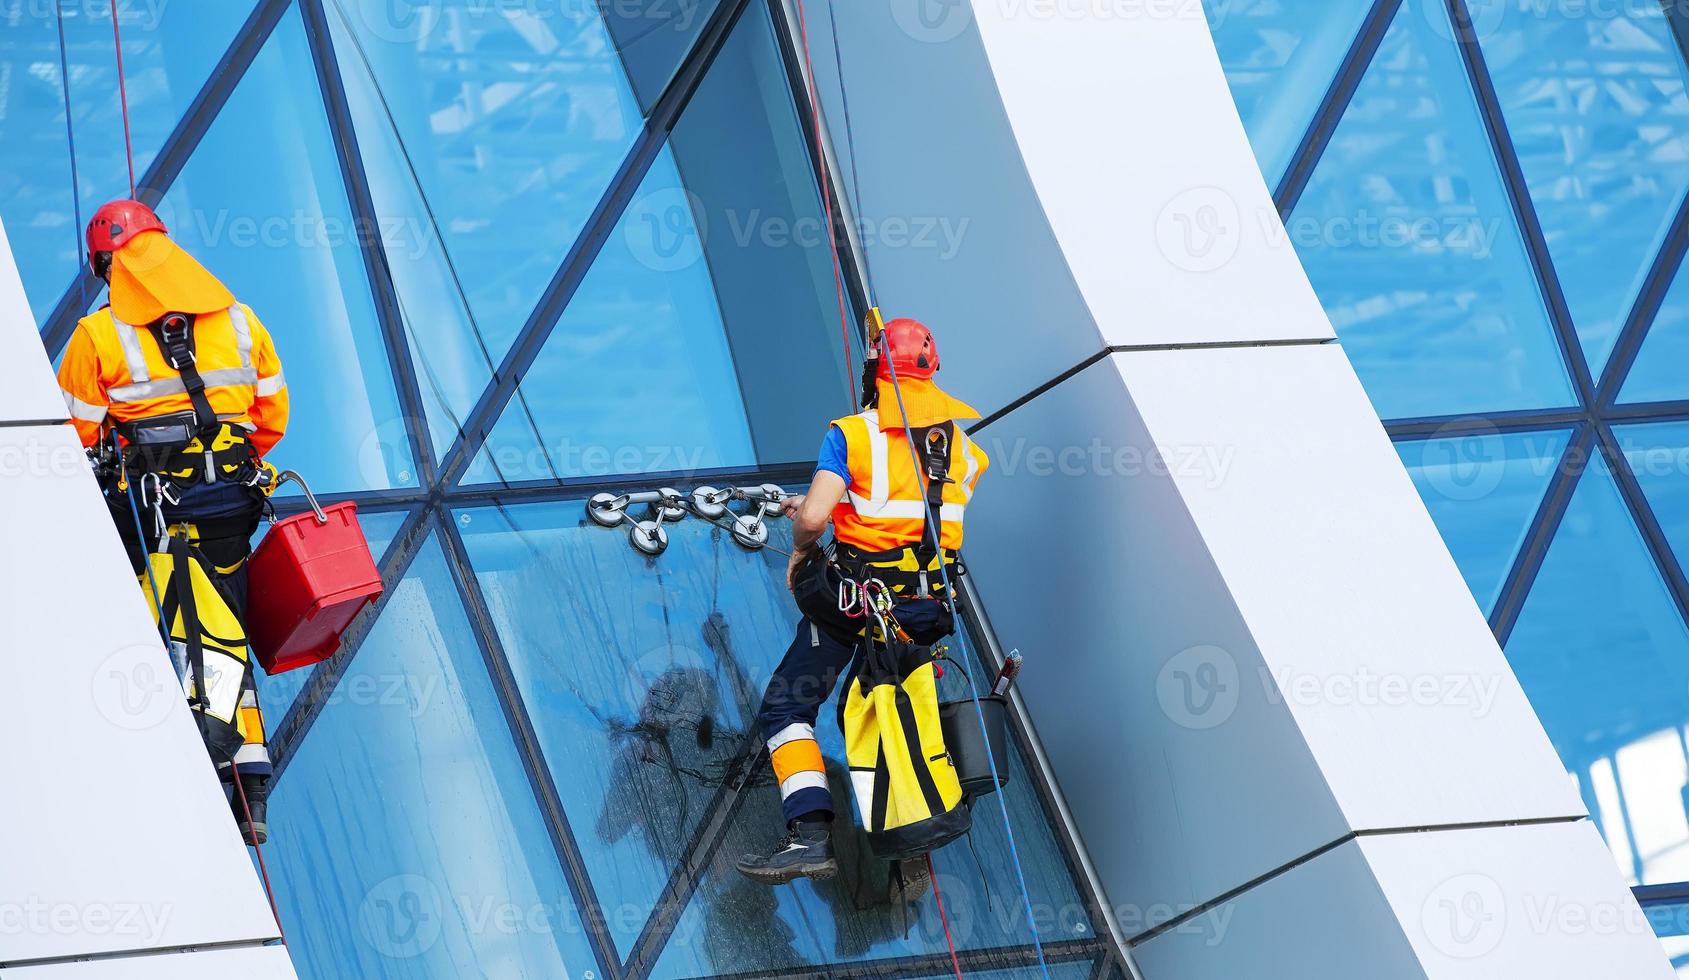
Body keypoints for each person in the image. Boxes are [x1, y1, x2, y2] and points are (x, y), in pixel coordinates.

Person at [58, 199, 289, 844]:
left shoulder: (98, 336)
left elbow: (72, 435)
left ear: (106, 266)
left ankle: (207, 758)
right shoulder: (242, 322)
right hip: (233, 502)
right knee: (228, 625)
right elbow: (271, 418)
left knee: (177, 627)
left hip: (157, 505)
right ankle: (251, 775)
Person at [735, 317, 989, 884]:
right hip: (921, 613)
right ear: (933, 372)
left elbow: (819, 518)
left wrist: (803, 544)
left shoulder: (851, 434)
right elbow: (905, 514)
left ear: (875, 371)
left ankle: (809, 835)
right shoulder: (966, 453)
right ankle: (913, 839)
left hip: (855, 606)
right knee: (897, 717)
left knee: (786, 706)